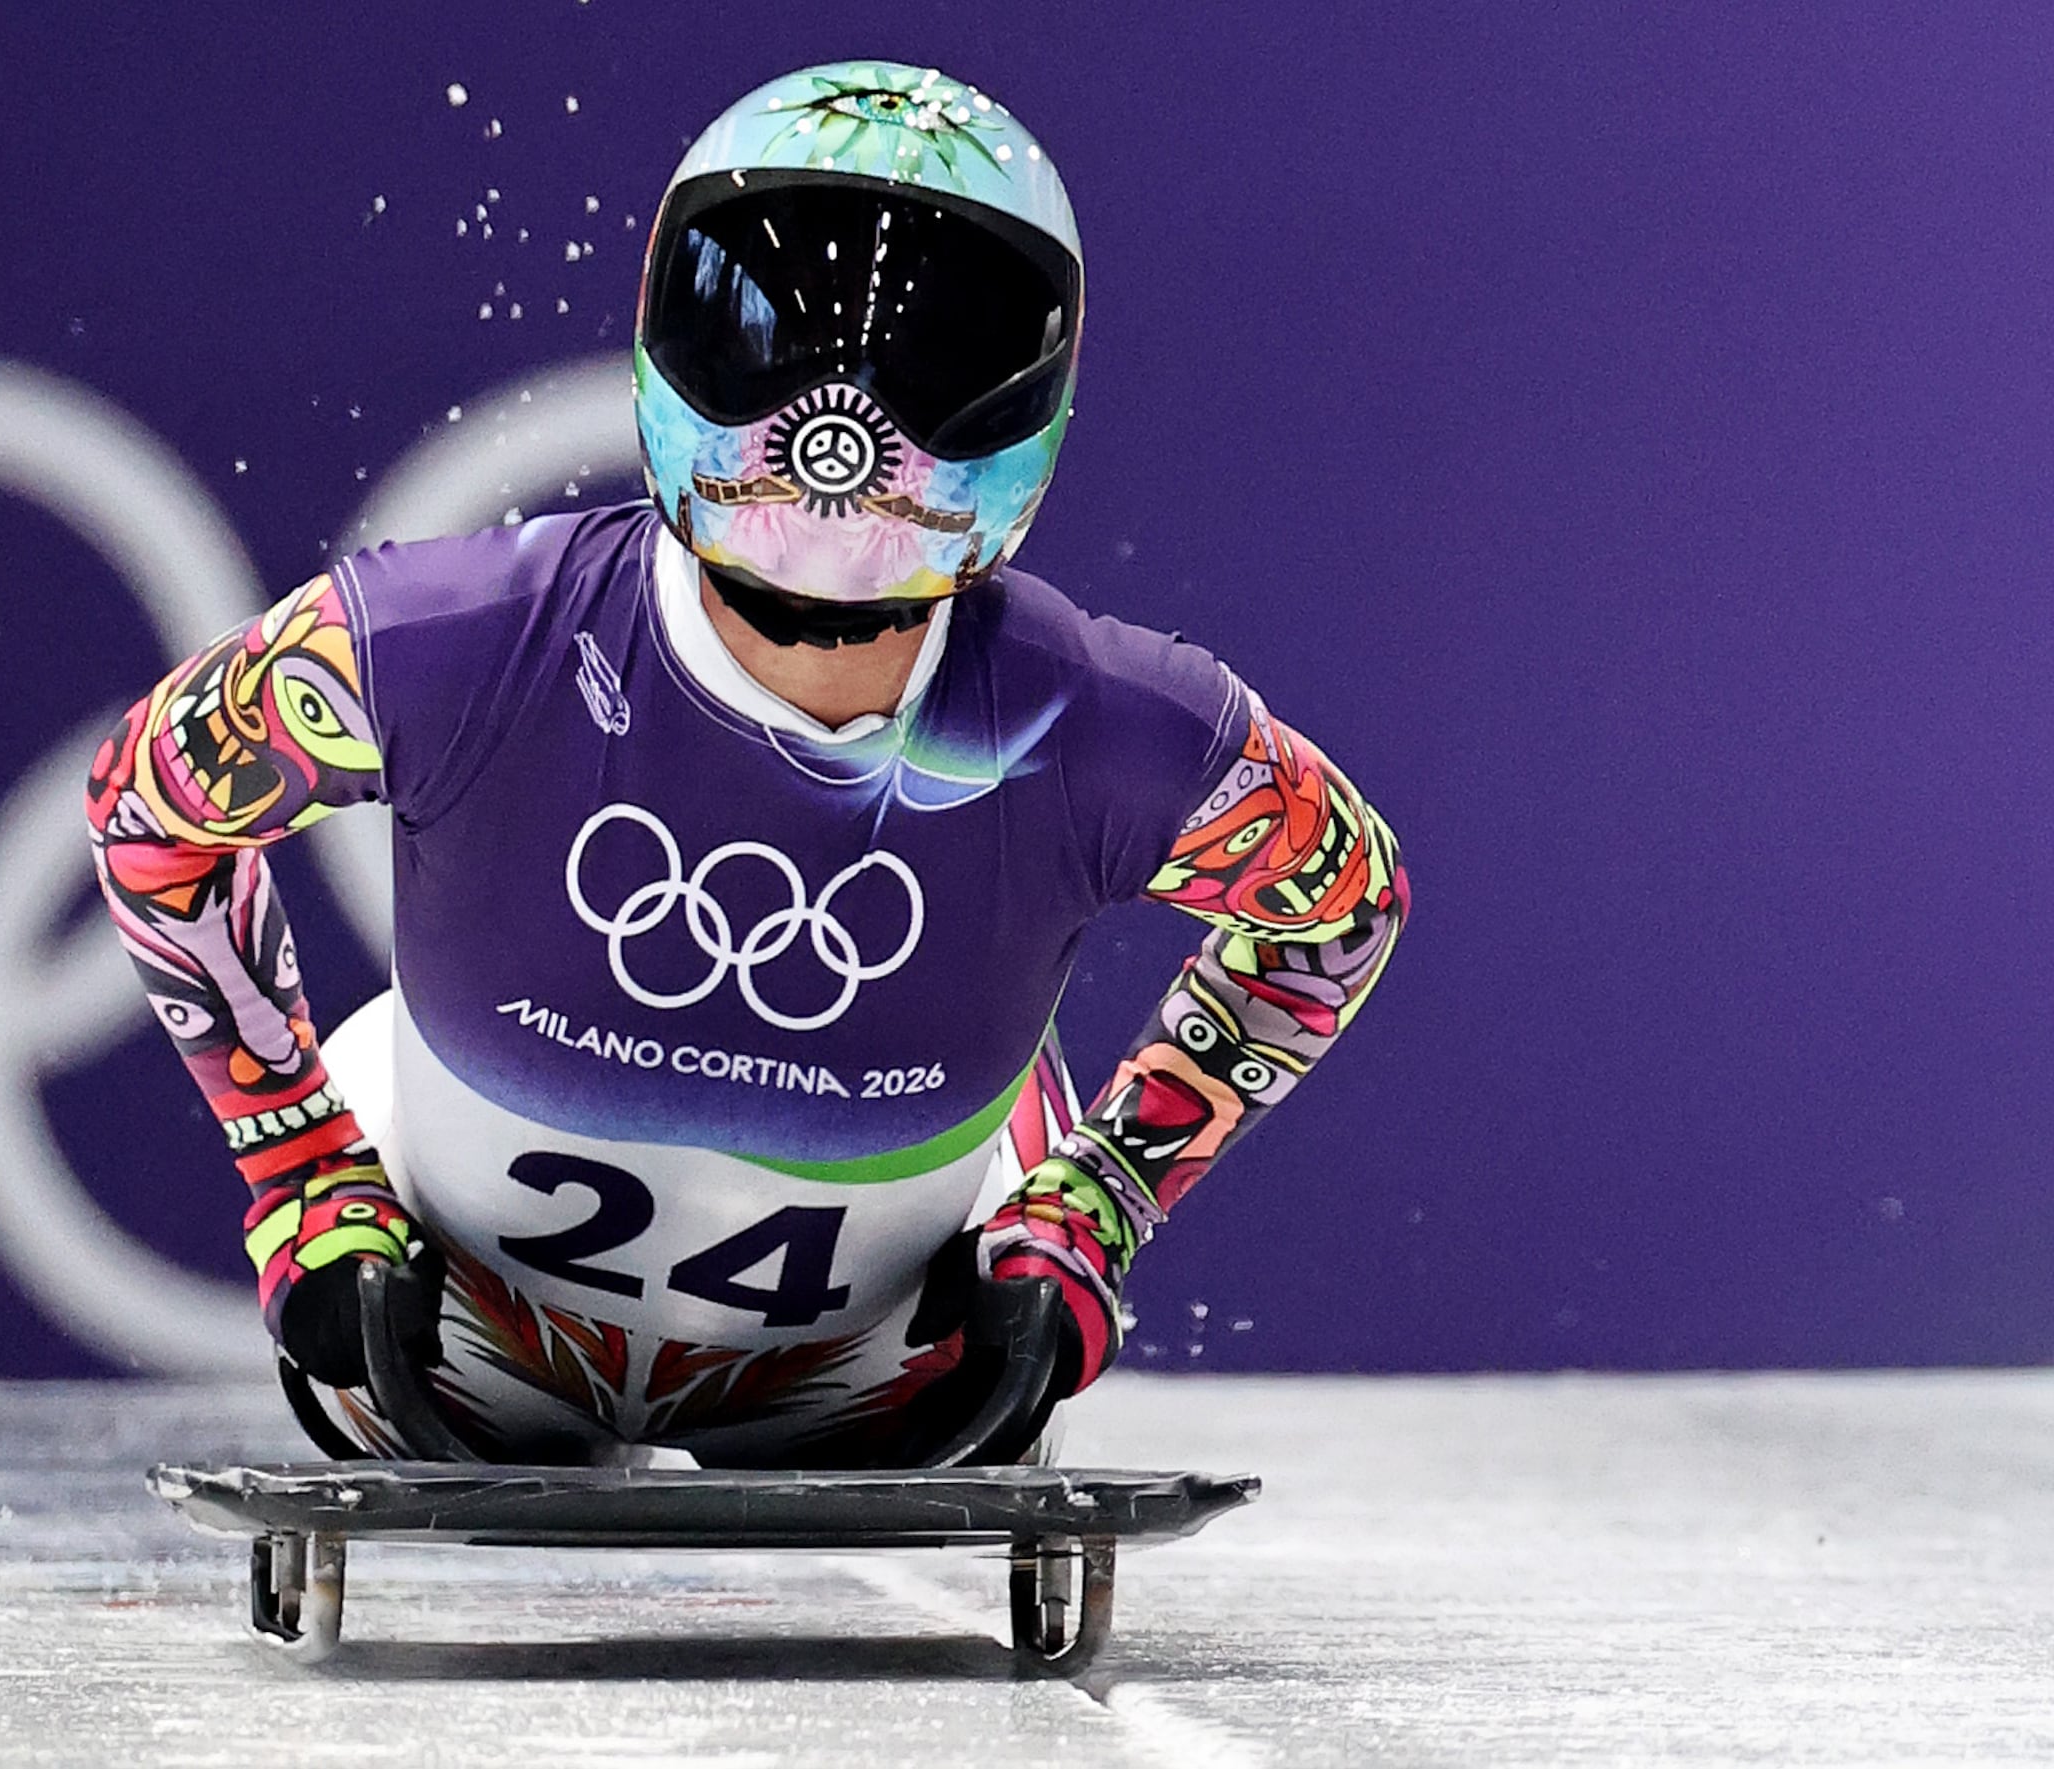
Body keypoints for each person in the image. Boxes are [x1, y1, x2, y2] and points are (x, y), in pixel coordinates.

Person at [86, 60, 1406, 1466]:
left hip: (876, 1374)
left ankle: (1026, 1138)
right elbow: (143, 805)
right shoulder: (458, 642)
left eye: (927, 353)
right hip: (461, 1344)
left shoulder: (1095, 724)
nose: (839, 426)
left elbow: (1344, 904)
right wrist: (311, 1174)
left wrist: (1089, 1209)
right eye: (777, 332)